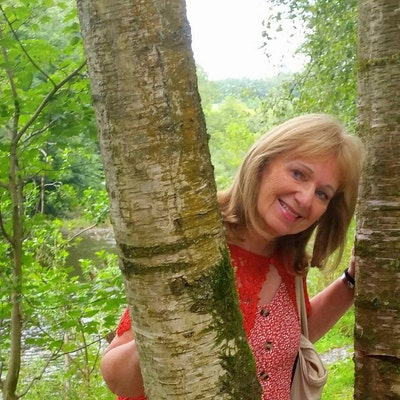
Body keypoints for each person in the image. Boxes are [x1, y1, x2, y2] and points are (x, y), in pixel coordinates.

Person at [100, 113, 364, 400]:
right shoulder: (197, 244)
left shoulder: (286, 257)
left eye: (323, 194)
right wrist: (181, 326)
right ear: (262, 163)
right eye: (299, 174)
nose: (306, 198)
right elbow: (118, 378)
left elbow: (290, 338)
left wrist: (350, 282)